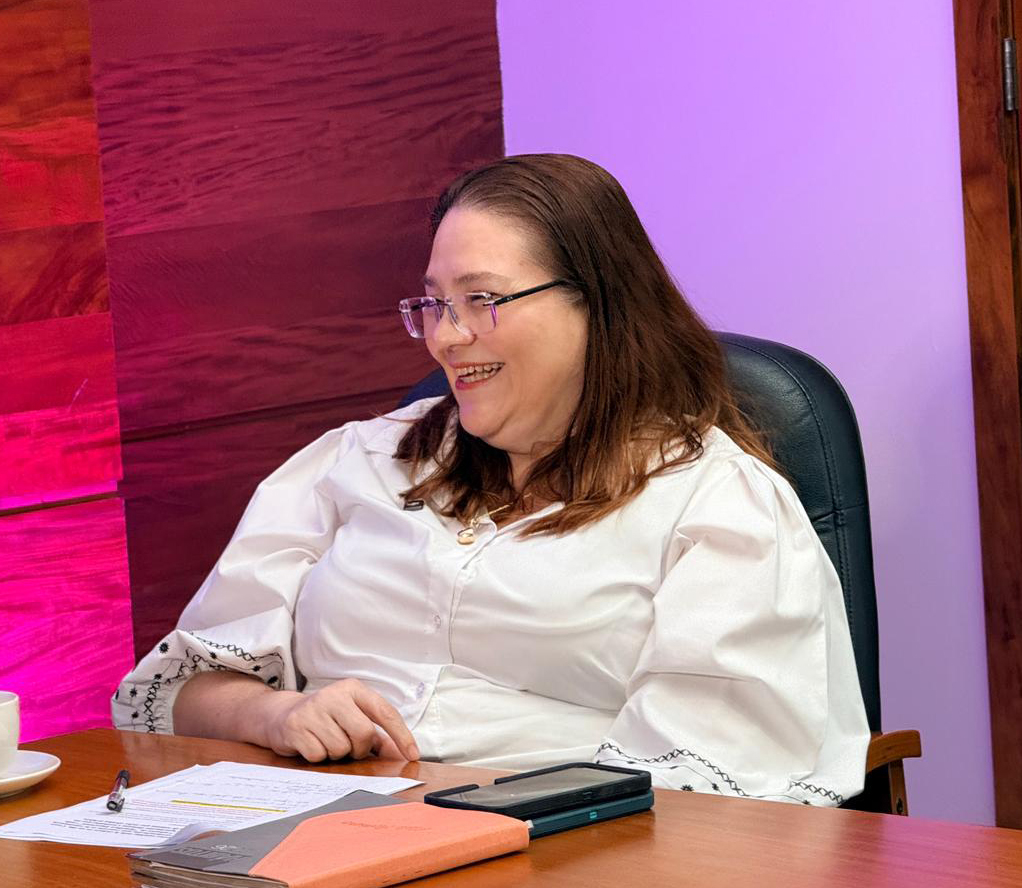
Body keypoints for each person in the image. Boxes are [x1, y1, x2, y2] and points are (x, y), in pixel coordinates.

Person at [112, 154, 870, 806]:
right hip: (313, 827)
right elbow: (179, 693)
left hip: (562, 848)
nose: (447, 337)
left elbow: (706, 780)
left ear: (599, 305)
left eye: (482, 300)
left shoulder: (713, 504)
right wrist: (275, 716)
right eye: (435, 304)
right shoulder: (355, 462)